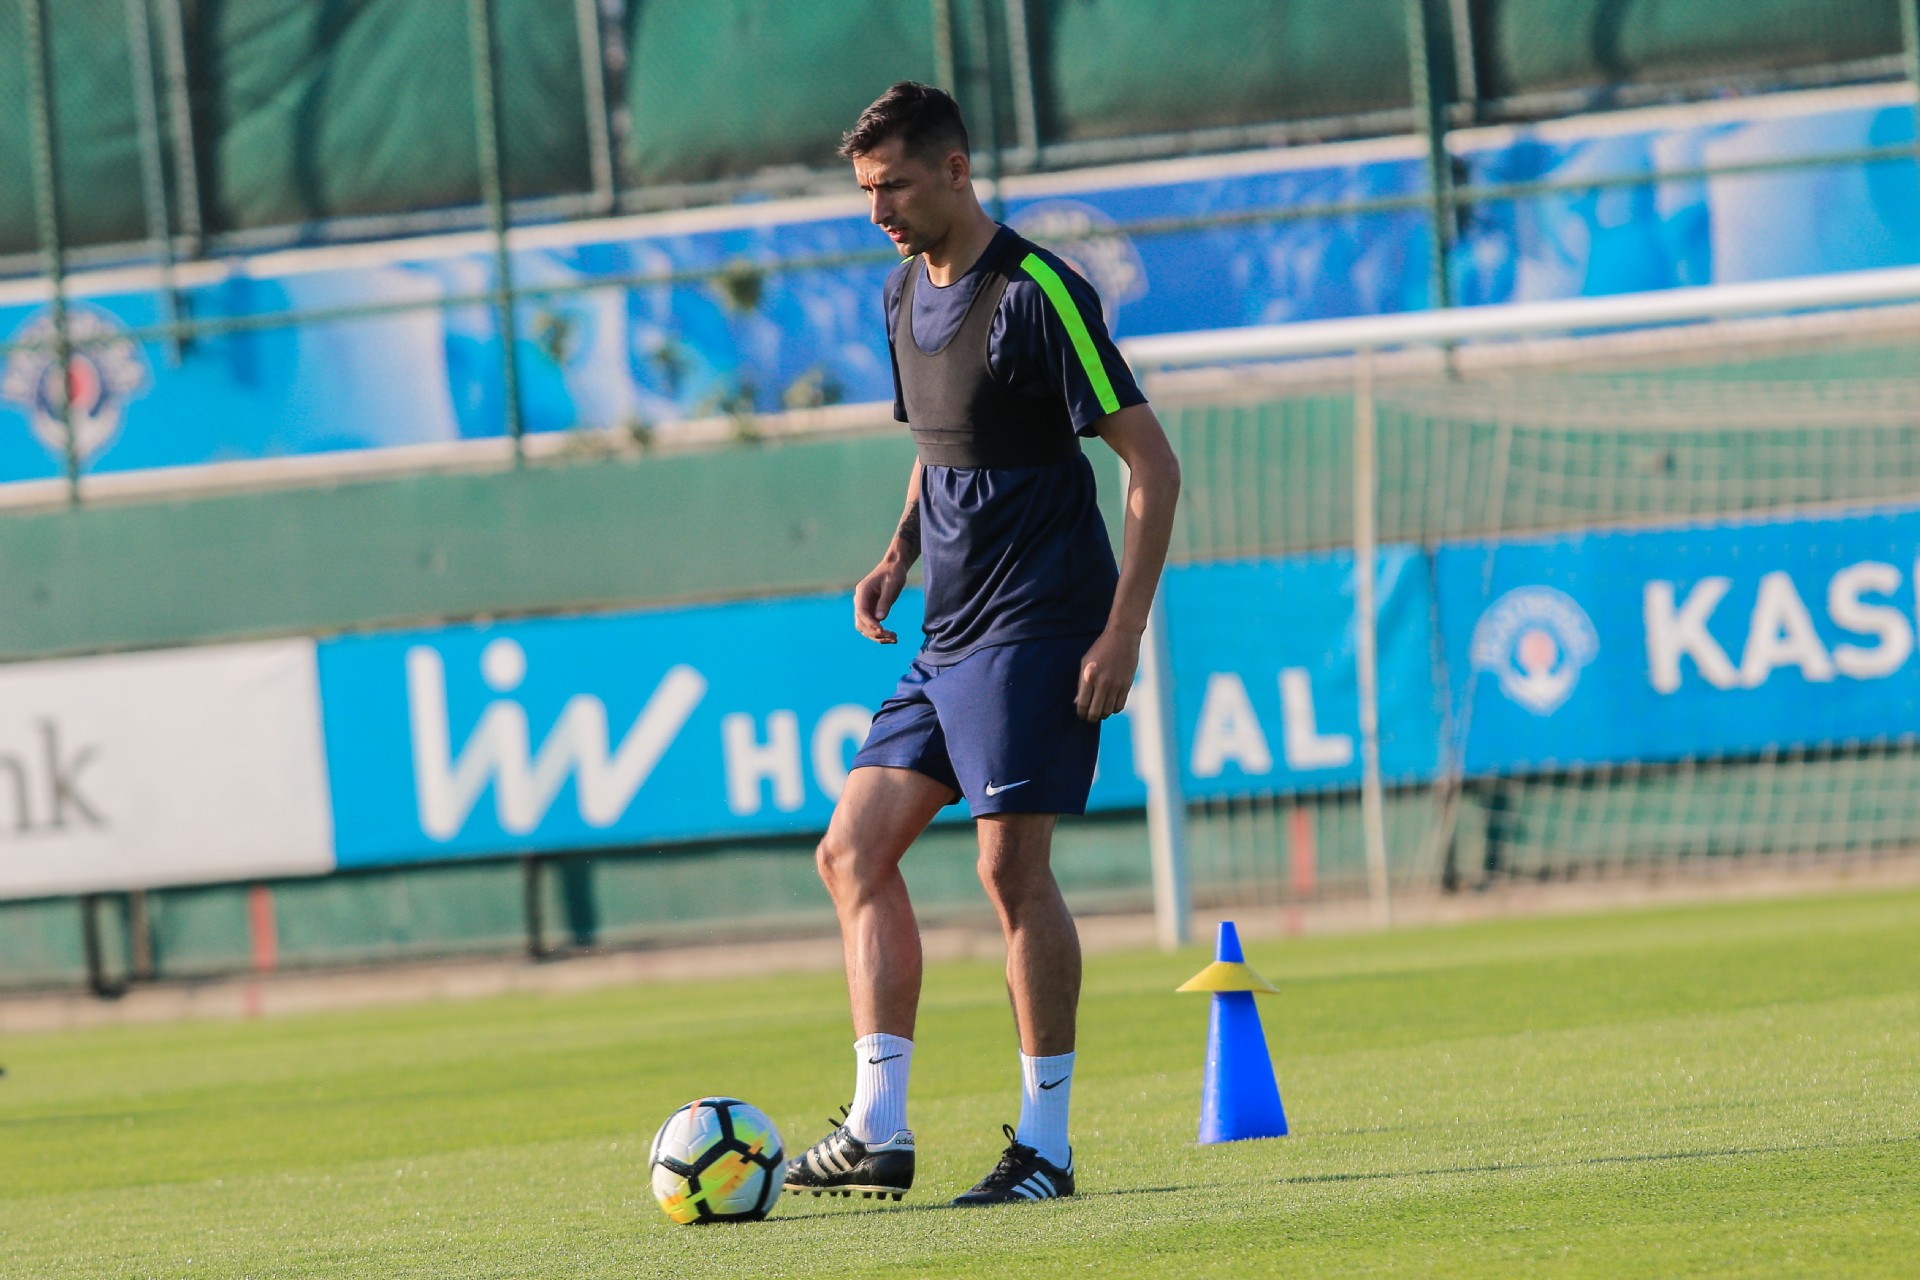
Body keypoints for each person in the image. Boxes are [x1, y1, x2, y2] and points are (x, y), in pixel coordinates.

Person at [783, 81, 1179, 1208]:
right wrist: (897, 552)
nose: (878, 212)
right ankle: (878, 1127)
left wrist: (1122, 631)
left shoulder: (1041, 291)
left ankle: (1046, 1146)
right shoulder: (901, 291)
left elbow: (1152, 467)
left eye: (895, 186)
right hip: (947, 629)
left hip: (1040, 623)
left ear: (956, 170)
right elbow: (938, 448)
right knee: (851, 852)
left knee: (1010, 870)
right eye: (866, 191)